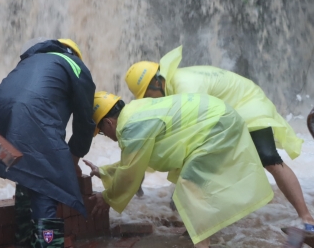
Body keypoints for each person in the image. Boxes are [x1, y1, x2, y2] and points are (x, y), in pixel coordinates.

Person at [125, 46, 314, 231]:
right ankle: (201, 223)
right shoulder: (171, 86)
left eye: (148, 95)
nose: (150, 101)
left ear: (157, 82)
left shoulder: (186, 86)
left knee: (268, 157)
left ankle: (307, 218)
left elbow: (192, 134)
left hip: (247, 103)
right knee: (200, 162)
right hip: (225, 112)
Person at [84, 91, 274, 248]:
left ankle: (202, 243)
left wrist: (107, 198)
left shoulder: (131, 128)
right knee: (195, 184)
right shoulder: (134, 113)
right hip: (220, 118)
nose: (105, 136)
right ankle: (200, 232)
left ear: (109, 122)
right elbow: (138, 160)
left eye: (101, 132)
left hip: (218, 126)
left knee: (188, 186)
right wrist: (105, 171)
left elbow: (131, 171)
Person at [0, 38, 96, 248]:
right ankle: (49, 245)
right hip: (30, 114)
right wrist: (73, 159)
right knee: (48, 186)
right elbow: (85, 120)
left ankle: (23, 241)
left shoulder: (30, 61)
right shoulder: (74, 65)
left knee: (27, 174)